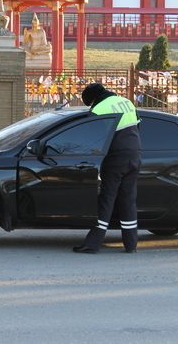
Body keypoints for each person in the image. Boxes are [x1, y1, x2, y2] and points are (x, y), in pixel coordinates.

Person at [73, 83, 142, 254]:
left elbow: (91, 137)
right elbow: (138, 126)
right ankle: (131, 244)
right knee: (128, 200)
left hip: (116, 157)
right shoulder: (126, 101)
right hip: (134, 155)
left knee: (107, 199)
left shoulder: (99, 109)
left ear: (92, 100)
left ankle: (92, 244)